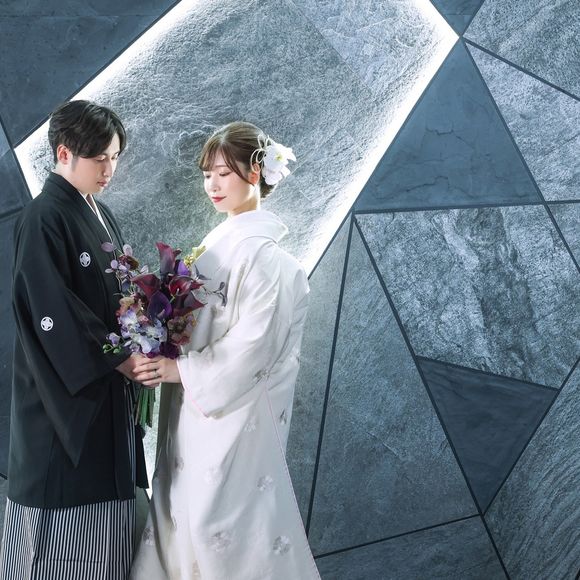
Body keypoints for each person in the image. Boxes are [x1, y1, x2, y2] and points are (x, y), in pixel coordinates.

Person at [130, 122, 320, 579]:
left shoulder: (267, 259)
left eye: (223, 173)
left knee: (218, 524)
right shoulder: (219, 242)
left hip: (232, 412)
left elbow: (253, 346)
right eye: (207, 175)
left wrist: (180, 370)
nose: (212, 185)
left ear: (255, 173)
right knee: (181, 511)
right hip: (197, 406)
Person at [0, 100, 147, 580]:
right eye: (99, 158)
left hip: (106, 392)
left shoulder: (100, 212)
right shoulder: (43, 217)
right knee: (55, 543)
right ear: (64, 153)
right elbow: (52, 309)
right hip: (65, 398)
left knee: (107, 543)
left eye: (115, 157)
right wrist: (119, 356)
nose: (109, 170)